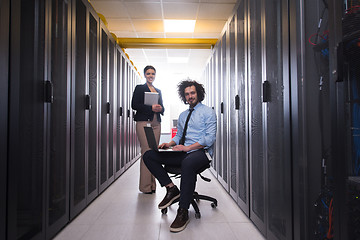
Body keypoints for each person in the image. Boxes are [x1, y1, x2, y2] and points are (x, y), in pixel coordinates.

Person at [143, 79, 217, 233]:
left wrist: (188, 147)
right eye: (187, 94)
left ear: (198, 93)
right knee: (149, 155)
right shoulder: (183, 115)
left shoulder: (208, 112)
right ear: (184, 96)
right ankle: (171, 189)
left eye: (192, 93)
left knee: (188, 163)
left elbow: (209, 139)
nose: (190, 96)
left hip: (200, 153)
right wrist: (169, 144)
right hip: (183, 152)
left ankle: (183, 211)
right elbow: (179, 137)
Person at [131, 65, 164, 194]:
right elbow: (134, 105)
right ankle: (145, 187)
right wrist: (150, 108)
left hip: (156, 123)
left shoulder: (158, 90)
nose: (151, 76)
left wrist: (160, 109)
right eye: (149, 73)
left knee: (154, 153)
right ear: (144, 75)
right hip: (144, 123)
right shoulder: (140, 88)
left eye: (153, 74)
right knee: (146, 151)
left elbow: (163, 107)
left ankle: (153, 185)